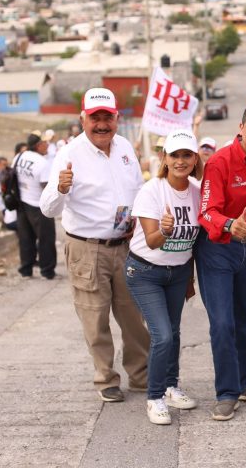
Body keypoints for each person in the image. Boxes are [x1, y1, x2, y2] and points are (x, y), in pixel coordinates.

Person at [40, 88, 150, 403]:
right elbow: (48, 208)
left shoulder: (126, 147)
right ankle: (106, 379)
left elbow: (138, 189)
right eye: (95, 118)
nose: (101, 124)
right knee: (95, 316)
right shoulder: (69, 154)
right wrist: (60, 189)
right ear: (83, 119)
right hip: (87, 248)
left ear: (116, 118)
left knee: (133, 315)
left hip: (125, 245)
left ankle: (141, 376)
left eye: (107, 117)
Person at [196, 101, 246, 421]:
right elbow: (206, 211)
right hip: (218, 248)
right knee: (222, 323)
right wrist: (230, 223)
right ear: (241, 128)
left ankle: (244, 380)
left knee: (244, 319)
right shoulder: (220, 162)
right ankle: (226, 391)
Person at [125, 129, 203, 425]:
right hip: (145, 271)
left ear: (195, 159)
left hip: (178, 271)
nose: (181, 161)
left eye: (186, 155)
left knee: (174, 331)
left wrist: (190, 278)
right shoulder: (152, 190)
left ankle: (171, 386)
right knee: (163, 335)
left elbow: (195, 242)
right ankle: (155, 396)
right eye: (175, 155)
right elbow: (153, 240)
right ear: (164, 159)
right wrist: (166, 229)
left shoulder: (196, 191)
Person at [15, 133, 57, 279]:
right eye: (46, 143)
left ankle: (26, 270)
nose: (48, 145)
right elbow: (46, 187)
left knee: (26, 238)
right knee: (46, 239)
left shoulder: (20, 156)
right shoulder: (42, 163)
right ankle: (47, 271)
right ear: (39, 145)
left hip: (22, 203)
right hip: (39, 206)